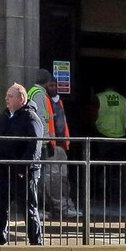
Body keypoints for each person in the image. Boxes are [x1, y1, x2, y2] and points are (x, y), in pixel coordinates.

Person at [0, 83, 44, 245]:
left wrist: (22, 168)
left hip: (23, 173)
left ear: (21, 99)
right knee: (0, 208)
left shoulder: (30, 117)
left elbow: (35, 145)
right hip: (3, 171)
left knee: (28, 209)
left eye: (10, 96)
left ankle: (36, 244)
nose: (6, 99)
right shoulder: (5, 116)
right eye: (6, 96)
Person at [29, 68, 75, 219]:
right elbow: (43, 121)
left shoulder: (55, 100)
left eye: (55, 85)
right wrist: (47, 141)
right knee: (48, 179)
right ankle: (53, 208)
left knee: (60, 178)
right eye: (51, 85)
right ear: (47, 83)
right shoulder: (40, 95)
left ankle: (64, 206)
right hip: (48, 144)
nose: (53, 88)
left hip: (58, 144)